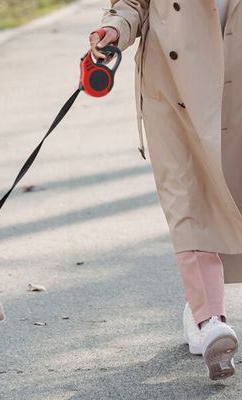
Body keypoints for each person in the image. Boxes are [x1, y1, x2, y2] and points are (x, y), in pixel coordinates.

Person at [89, 0, 242, 380]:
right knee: (187, 194)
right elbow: (133, 3)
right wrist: (116, 28)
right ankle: (210, 320)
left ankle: (198, 308)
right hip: (173, 84)